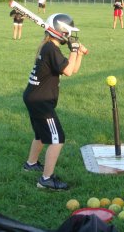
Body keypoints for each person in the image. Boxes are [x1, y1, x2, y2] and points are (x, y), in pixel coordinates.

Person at [23, 13, 87, 190]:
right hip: (41, 100)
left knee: (41, 135)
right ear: (60, 31)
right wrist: (74, 50)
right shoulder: (51, 49)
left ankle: (31, 164)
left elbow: (71, 70)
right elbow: (67, 71)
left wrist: (79, 54)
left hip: (34, 97)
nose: (70, 36)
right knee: (57, 138)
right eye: (67, 32)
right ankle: (46, 179)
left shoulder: (50, 47)